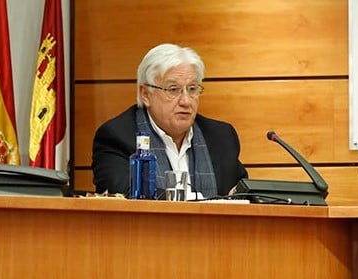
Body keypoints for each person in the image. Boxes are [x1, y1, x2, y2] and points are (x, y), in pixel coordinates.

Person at [92, 43, 248, 198]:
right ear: (146, 94)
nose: (186, 101)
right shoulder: (117, 136)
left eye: (192, 89)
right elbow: (123, 194)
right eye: (173, 90)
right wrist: (196, 201)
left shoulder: (221, 137)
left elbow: (244, 194)